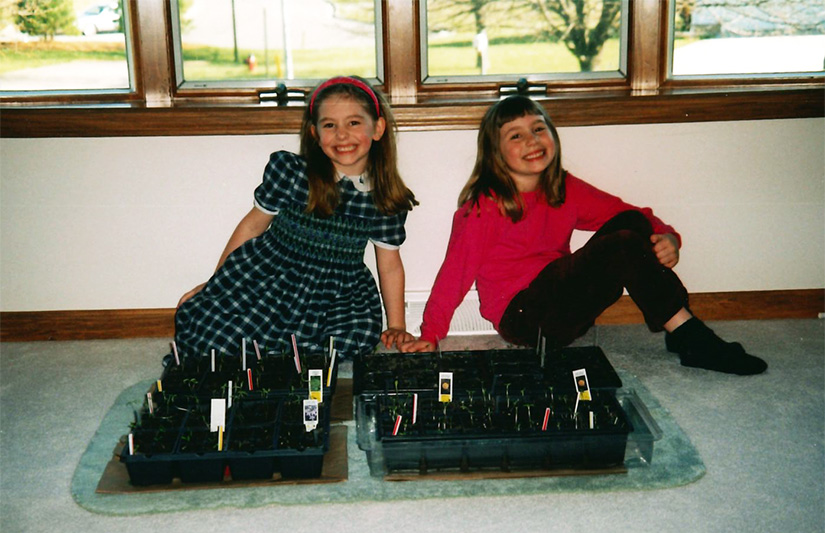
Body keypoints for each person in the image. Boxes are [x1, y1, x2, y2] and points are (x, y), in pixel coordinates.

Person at [400, 95, 766, 375]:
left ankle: (683, 331)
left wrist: (668, 235)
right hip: (525, 317)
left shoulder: (563, 187)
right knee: (622, 244)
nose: (532, 140)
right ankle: (690, 337)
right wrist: (431, 334)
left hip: (565, 303)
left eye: (539, 129)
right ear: (495, 153)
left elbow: (627, 213)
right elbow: (455, 273)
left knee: (631, 226)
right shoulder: (483, 208)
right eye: (516, 135)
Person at [169, 76, 418, 365]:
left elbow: (389, 266)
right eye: (329, 125)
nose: (341, 135)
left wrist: (397, 324)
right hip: (271, 279)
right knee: (214, 333)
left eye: (353, 123)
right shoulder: (292, 174)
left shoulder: (383, 198)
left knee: (353, 340)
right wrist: (217, 282)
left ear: (377, 128)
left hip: (336, 292)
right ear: (314, 133)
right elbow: (252, 226)